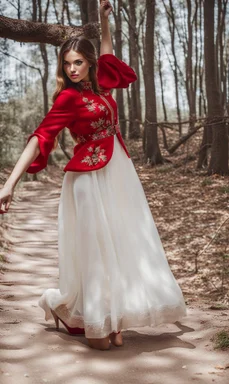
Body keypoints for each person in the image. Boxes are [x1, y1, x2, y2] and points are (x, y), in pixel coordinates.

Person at [0, 0, 187, 350]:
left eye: (79, 63)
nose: (73, 69)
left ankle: (115, 317)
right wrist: (9, 185)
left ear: (89, 64)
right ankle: (69, 307)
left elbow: (108, 56)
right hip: (86, 179)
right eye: (68, 64)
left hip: (119, 173)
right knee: (97, 249)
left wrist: (103, 21)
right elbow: (40, 138)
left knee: (122, 241)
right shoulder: (67, 99)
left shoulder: (101, 86)